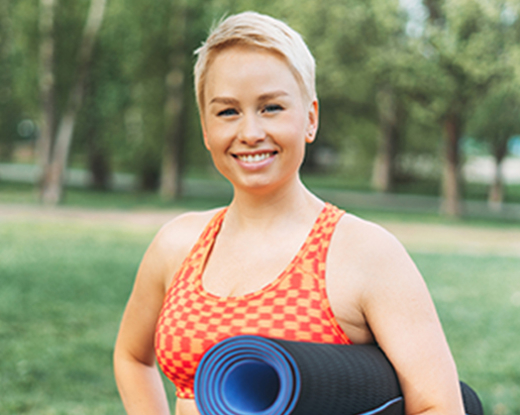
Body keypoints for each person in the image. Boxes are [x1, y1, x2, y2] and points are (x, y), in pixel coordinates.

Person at [114, 11, 464, 415]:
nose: (249, 133)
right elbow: (132, 357)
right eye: (227, 112)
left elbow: (438, 406)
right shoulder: (177, 244)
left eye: (271, 107)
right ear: (206, 130)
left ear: (310, 118)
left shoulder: (365, 254)